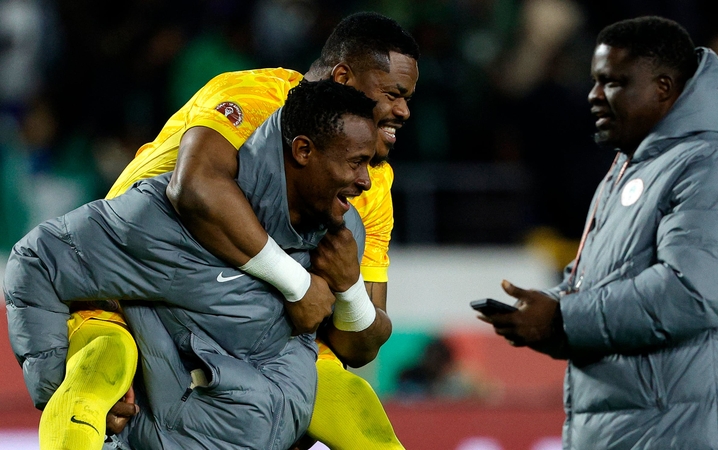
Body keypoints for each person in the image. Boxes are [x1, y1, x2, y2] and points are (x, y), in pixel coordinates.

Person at [20, 10, 419, 450]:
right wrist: (298, 284)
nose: (403, 111)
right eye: (394, 94)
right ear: (343, 79)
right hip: (132, 298)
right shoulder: (254, 100)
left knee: (354, 403)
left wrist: (349, 288)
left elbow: (358, 345)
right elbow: (194, 186)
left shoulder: (373, 184)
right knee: (99, 371)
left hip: (246, 340)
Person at [477, 15, 718, 449]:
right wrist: (548, 317)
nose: (593, 96)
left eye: (613, 82)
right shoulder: (626, 173)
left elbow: (691, 294)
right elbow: (598, 293)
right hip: (648, 432)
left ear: (663, 88)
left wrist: (562, 318)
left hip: (700, 435)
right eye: (594, 81)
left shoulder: (713, 166)